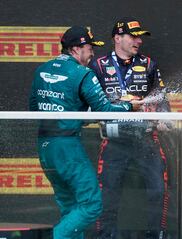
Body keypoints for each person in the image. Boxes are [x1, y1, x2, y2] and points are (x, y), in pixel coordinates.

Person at [29, 26, 142, 239]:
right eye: (90, 48)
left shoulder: (41, 69)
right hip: (67, 147)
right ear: (76, 49)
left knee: (70, 207)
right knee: (91, 205)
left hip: (45, 148)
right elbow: (106, 111)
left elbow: (34, 109)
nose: (92, 54)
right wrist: (130, 107)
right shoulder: (82, 73)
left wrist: (74, 113)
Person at [89, 17, 171, 239]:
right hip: (114, 141)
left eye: (140, 37)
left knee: (157, 191)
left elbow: (161, 97)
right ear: (117, 38)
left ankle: (156, 236)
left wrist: (165, 118)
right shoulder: (98, 66)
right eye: (133, 36)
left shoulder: (149, 64)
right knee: (107, 195)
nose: (139, 41)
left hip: (146, 139)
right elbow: (87, 102)